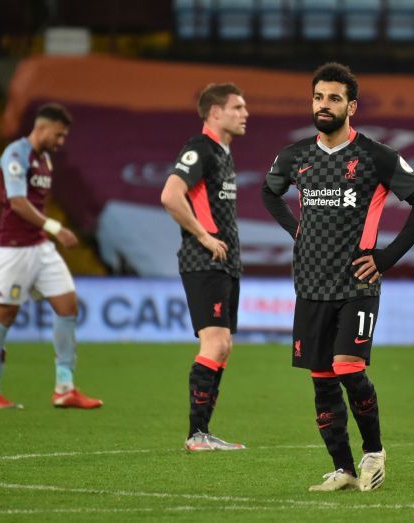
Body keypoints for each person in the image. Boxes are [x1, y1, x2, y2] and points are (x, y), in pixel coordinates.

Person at [262, 63, 414, 492]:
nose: (324, 105)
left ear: (351, 106)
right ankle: (341, 468)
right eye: (319, 97)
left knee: (348, 367)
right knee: (321, 379)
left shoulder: (376, 156)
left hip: (357, 284)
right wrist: (294, 228)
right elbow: (269, 190)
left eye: (334, 98)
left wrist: (386, 258)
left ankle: (374, 452)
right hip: (310, 285)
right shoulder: (295, 155)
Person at [0, 103, 102, 410]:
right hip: (13, 248)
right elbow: (18, 203)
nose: (61, 142)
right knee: (3, 316)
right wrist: (55, 228)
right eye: (59, 135)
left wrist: (48, 233)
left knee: (68, 305)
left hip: (40, 247)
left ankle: (64, 388)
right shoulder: (16, 155)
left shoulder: (45, 158)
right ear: (43, 127)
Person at [161, 83, 248, 452]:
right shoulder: (201, 149)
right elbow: (170, 194)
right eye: (238, 107)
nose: (246, 114)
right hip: (205, 261)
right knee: (214, 342)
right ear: (215, 112)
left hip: (225, 264)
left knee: (223, 345)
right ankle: (196, 435)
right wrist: (203, 236)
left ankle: (204, 433)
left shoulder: (223, 153)